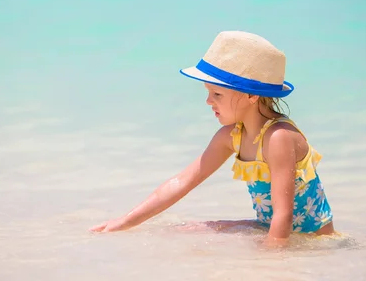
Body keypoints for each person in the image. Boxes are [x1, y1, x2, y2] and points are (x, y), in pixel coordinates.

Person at [90, 31, 335, 246]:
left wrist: (270, 267)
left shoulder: (278, 138)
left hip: (313, 240)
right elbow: (182, 182)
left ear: (251, 96)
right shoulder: (231, 136)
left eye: (217, 93)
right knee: (189, 231)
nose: (208, 101)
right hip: (269, 227)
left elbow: (283, 216)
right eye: (208, 93)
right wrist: (124, 222)